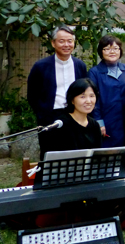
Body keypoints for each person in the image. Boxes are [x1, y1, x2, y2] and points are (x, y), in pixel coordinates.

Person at [27, 26, 88, 160]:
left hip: (74, 115)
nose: (66, 44)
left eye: (70, 41)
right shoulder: (40, 66)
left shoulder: (80, 65)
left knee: (76, 154)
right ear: (53, 43)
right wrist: (42, 114)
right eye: (61, 41)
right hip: (50, 118)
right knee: (50, 155)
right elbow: (32, 95)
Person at [88, 35, 125, 148]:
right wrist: (99, 122)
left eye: (115, 48)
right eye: (107, 49)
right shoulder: (94, 72)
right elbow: (94, 100)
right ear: (101, 51)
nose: (112, 52)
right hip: (107, 120)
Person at [43, 78, 102, 154]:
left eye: (91, 96)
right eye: (82, 97)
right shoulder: (61, 125)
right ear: (72, 100)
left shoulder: (95, 125)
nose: (88, 101)